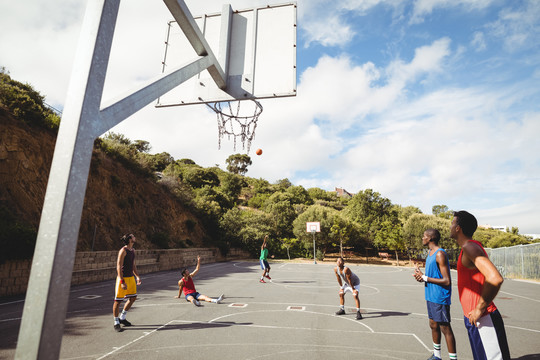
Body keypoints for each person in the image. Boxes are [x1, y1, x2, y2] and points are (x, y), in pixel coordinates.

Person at [451, 210, 510, 360]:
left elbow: (495, 278)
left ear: (458, 228)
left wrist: (479, 309)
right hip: (474, 318)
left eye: (452, 223)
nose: (450, 227)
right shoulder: (468, 248)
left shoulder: (470, 247)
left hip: (483, 318)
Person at [413, 229, 457, 360]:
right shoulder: (430, 253)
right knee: (433, 324)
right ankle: (437, 356)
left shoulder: (440, 254)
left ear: (431, 238)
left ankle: (453, 359)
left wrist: (425, 278)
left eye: (424, 236)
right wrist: (420, 277)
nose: (422, 238)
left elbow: (447, 280)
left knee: (445, 328)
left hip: (439, 297)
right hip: (430, 295)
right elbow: (431, 276)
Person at [113, 233, 141, 332]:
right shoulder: (123, 251)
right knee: (118, 301)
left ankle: (122, 318)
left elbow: (133, 265)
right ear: (129, 239)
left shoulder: (133, 250)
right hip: (123, 278)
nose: (135, 237)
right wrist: (121, 281)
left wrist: (137, 276)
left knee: (133, 298)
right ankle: (116, 322)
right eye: (133, 236)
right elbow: (118, 267)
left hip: (131, 278)